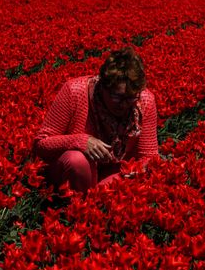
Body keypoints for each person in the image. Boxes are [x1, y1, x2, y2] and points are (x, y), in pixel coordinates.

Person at [32, 46, 159, 193]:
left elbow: (149, 156)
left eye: (131, 98)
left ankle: (94, 207)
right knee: (77, 160)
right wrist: (80, 141)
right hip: (71, 172)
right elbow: (40, 144)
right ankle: (73, 206)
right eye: (117, 97)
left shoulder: (144, 101)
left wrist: (136, 170)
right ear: (103, 86)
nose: (124, 105)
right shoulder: (74, 92)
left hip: (113, 172)